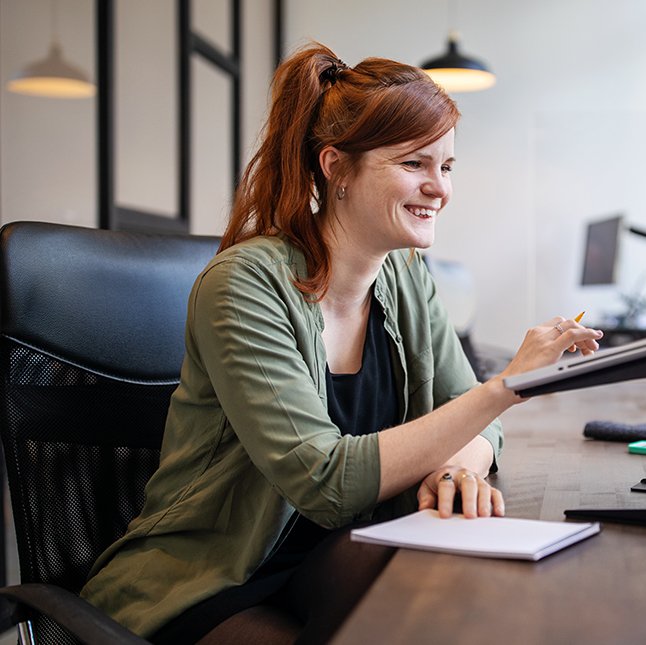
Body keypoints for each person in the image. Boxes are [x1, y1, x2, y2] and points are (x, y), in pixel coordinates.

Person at [79, 42, 602, 643]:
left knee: (459, 602)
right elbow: (326, 483)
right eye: (414, 164)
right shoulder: (244, 286)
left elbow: (477, 424)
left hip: (326, 552)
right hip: (207, 577)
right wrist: (507, 386)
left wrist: (459, 466)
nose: (439, 189)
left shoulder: (405, 274)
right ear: (335, 167)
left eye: (447, 167)